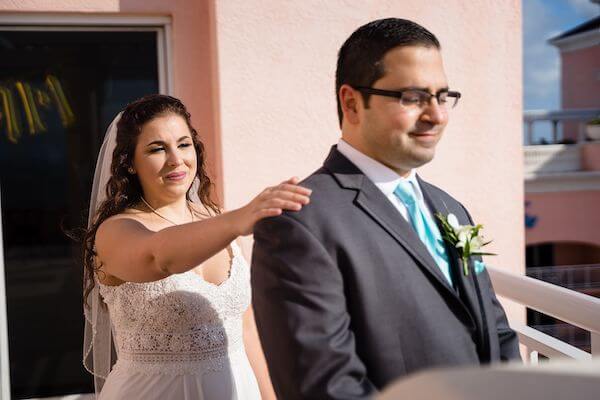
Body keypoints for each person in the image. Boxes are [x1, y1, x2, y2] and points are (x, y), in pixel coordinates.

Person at [251, 18, 521, 399]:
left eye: (443, 96)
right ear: (352, 102)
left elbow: (496, 332)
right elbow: (324, 386)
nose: (437, 115)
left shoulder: (451, 207)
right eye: (413, 97)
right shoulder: (299, 222)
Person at [82, 94, 311, 399]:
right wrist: (238, 220)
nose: (176, 159)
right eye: (157, 149)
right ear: (130, 163)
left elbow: (245, 330)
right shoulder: (116, 230)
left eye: (183, 144)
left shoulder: (213, 220)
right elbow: (158, 256)